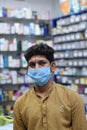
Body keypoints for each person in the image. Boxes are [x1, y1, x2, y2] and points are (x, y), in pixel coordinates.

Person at [13, 43, 87, 130]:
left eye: (42, 63)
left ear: (53, 67)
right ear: (27, 69)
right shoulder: (20, 104)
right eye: (32, 65)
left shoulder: (72, 98)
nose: (37, 68)